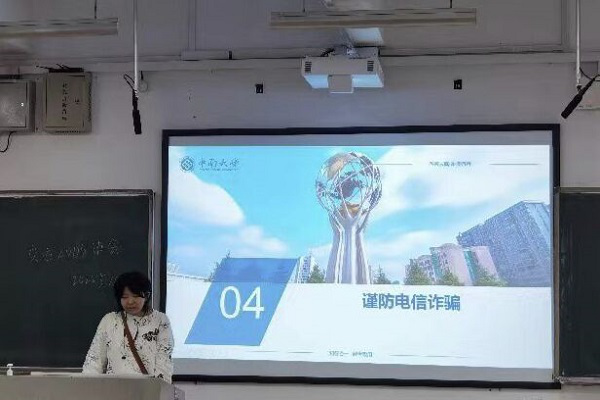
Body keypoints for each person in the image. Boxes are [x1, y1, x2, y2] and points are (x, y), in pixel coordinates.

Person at [82, 271, 174, 383]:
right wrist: (88, 386)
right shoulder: (110, 321)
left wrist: (160, 389)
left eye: (136, 296)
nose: (130, 301)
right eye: (125, 297)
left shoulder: (160, 321)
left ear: (147, 295)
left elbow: (164, 362)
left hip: (147, 389)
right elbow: (94, 360)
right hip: (113, 389)